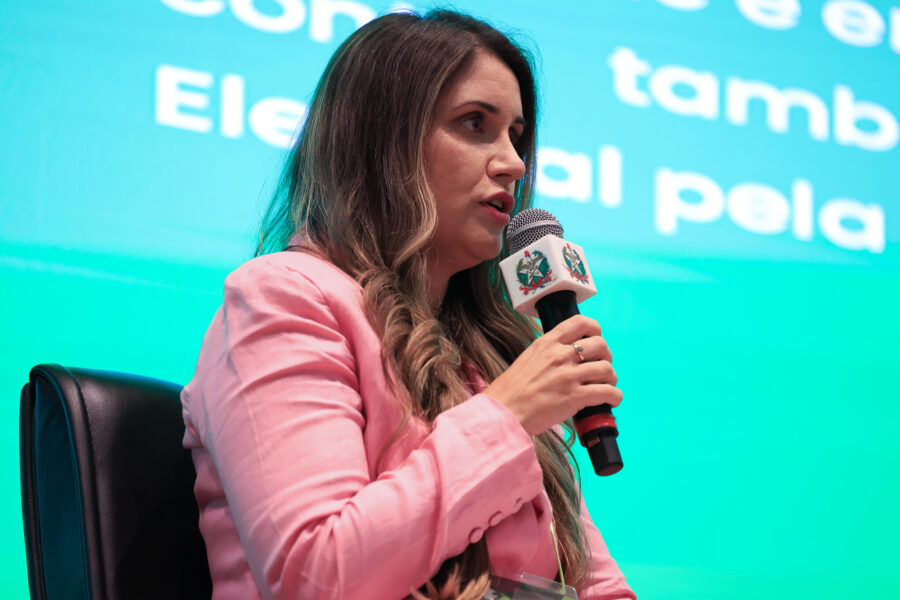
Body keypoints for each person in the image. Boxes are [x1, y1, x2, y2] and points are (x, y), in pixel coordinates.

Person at [181, 9, 635, 600]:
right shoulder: (284, 298)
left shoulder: (492, 358)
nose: (514, 163)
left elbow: (597, 586)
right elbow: (315, 576)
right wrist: (506, 416)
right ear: (384, 143)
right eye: (475, 123)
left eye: (516, 136)